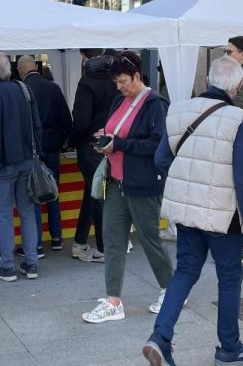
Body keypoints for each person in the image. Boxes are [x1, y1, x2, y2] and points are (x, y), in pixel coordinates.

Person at [143, 55, 243, 366]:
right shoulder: (237, 118)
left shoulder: (178, 110)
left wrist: (189, 181)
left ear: (210, 80)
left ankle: (160, 337)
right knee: (229, 276)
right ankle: (229, 347)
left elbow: (160, 160)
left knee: (185, 270)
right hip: (224, 217)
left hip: (188, 211)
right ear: (237, 86)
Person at [81, 51, 174, 324]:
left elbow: (157, 144)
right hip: (117, 182)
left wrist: (119, 144)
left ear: (137, 75)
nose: (118, 87)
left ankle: (171, 290)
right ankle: (113, 301)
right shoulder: (120, 100)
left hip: (143, 183)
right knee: (112, 241)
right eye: (116, 82)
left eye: (122, 81)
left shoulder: (155, 103)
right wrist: (106, 138)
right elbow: (118, 132)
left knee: (150, 240)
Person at [0, 52, 44, 283]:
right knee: (27, 211)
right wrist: (37, 154)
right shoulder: (24, 90)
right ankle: (31, 263)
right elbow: (36, 125)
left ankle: (8, 266)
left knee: (3, 214)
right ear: (9, 70)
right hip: (26, 159)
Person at [18, 55, 73, 252]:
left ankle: (36, 244)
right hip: (51, 148)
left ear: (21, 71)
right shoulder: (53, 87)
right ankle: (57, 237)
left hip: (31, 150)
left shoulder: (21, 90)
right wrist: (59, 143)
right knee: (52, 191)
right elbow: (67, 120)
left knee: (33, 194)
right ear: (36, 68)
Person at [69, 49, 116, 263]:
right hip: (110, 143)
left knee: (96, 196)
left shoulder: (86, 83)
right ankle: (80, 242)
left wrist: (72, 140)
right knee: (92, 193)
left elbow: (81, 120)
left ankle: (103, 247)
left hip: (90, 146)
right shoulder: (113, 81)